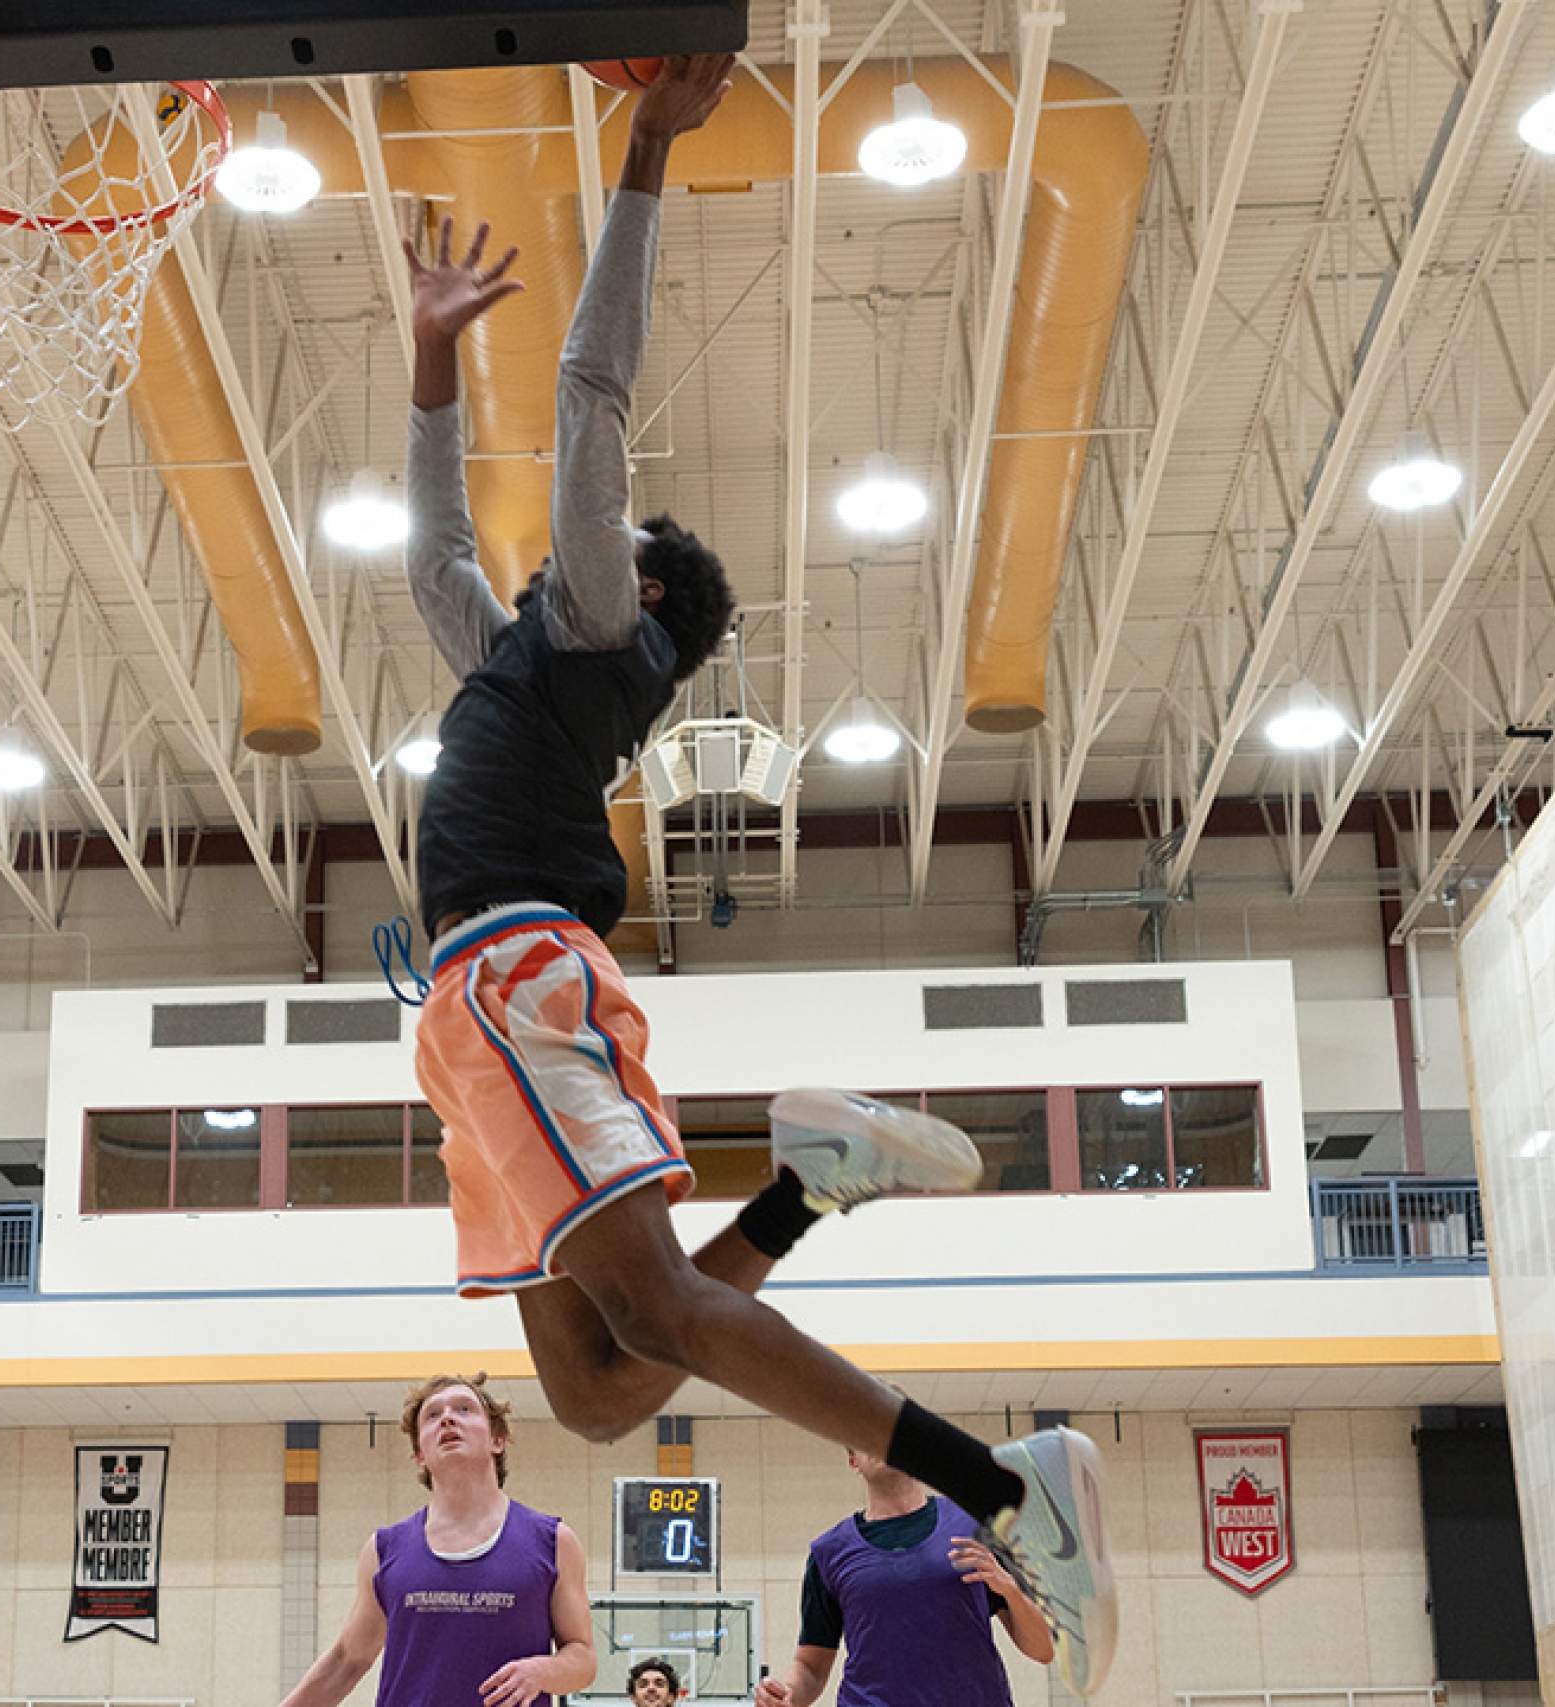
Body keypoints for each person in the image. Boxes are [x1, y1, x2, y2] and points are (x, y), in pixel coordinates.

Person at [399, 52, 1116, 1694]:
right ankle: (805, 1181)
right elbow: (429, 546)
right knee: (591, 1386)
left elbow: (591, 388)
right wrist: (428, 366)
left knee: (652, 1314)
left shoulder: (594, 620)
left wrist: (645, 146)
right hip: (473, 1020)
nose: (576, 526)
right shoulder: (520, 659)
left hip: (514, 979)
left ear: (636, 583)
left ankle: (1009, 1486)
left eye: (611, 528)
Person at [279, 1374, 595, 1707]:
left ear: (497, 1440)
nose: (447, 1418)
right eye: (432, 1415)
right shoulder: (384, 1550)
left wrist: (545, 1671)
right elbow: (346, 1661)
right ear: (419, 1454)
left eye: (464, 1409)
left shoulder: (553, 1541)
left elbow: (584, 1659)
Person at [753, 1441, 1055, 1707]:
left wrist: (1012, 1591)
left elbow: (1042, 1649)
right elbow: (810, 1665)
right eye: (867, 1435)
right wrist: (789, 1694)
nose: (882, 1443)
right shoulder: (828, 1553)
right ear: (853, 1461)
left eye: (892, 1435)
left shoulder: (977, 1526)